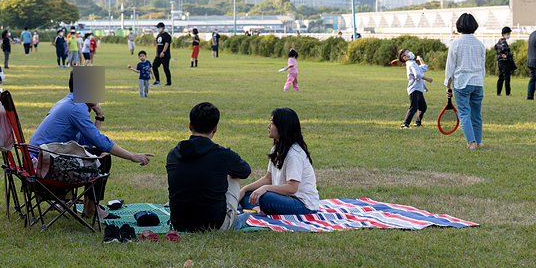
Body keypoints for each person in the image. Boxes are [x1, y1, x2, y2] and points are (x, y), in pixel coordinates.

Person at [28, 70, 155, 217]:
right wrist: (133, 156)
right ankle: (92, 209)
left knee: (98, 153)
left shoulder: (69, 102)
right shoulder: (76, 107)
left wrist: (99, 116)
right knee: (103, 157)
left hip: (41, 160)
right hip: (45, 166)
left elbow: (86, 141)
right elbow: (99, 141)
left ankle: (91, 207)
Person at [166, 102, 252, 232]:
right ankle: (231, 219)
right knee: (234, 175)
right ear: (215, 128)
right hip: (214, 225)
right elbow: (245, 171)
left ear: (190, 126)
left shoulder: (173, 154)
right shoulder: (222, 155)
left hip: (179, 223)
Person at [239, 108, 320, 215]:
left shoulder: (294, 154)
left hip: (303, 204)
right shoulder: (276, 148)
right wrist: (243, 190)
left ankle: (260, 207)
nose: (268, 125)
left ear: (282, 127)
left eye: (272, 123)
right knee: (249, 194)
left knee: (265, 197)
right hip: (283, 197)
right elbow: (268, 179)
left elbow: (292, 188)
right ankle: (259, 209)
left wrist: (265, 188)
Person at [444, 13, 487, 149]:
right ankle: (478, 142)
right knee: (476, 114)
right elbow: (482, 66)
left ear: (459, 26)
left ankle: (471, 142)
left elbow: (450, 67)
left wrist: (448, 86)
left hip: (461, 82)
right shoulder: (480, 44)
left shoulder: (455, 43)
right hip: (477, 82)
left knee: (464, 113)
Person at [399, 48, 433, 128]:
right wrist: (427, 78)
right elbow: (417, 75)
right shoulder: (411, 64)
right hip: (414, 89)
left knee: (422, 107)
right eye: (407, 52)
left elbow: (423, 68)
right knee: (413, 107)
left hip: (418, 89)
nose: (410, 52)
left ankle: (417, 123)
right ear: (405, 57)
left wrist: (420, 59)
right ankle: (405, 124)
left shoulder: (412, 63)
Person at [494, 26, 515, 96]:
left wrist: (499, 54)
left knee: (500, 77)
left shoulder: (499, 42)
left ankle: (498, 92)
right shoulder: (504, 42)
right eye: (508, 33)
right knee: (507, 78)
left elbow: (495, 48)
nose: (509, 35)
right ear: (504, 34)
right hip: (505, 62)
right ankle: (508, 92)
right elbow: (504, 50)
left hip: (499, 61)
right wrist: (507, 54)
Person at [152, 22, 172, 86]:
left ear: (162, 27)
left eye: (159, 27)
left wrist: (163, 52)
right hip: (158, 55)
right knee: (154, 66)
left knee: (166, 68)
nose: (158, 29)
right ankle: (157, 81)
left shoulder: (167, 35)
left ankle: (169, 83)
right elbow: (157, 45)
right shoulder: (158, 35)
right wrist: (156, 53)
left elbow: (167, 44)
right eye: (157, 27)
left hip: (165, 55)